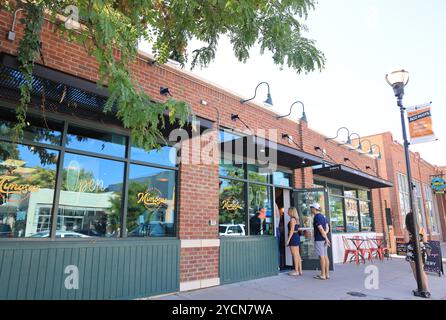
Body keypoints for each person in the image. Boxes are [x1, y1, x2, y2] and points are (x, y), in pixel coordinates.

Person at [405, 211, 431, 298]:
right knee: (422, 270)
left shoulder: (407, 229)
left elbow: (406, 241)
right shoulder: (421, 228)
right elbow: (425, 241)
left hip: (412, 251)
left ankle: (421, 288)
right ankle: (426, 289)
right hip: (422, 251)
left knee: (415, 271)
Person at [311, 202, 331, 280]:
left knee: (321, 257)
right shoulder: (323, 216)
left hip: (319, 239)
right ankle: (327, 274)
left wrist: (325, 238)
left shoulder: (316, 217)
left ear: (314, 209)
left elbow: (321, 229)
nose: (311, 209)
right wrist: (325, 236)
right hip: (323, 238)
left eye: (311, 208)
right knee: (326, 256)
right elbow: (327, 227)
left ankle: (323, 275)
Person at [286, 207, 302, 276]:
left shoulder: (292, 219)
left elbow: (292, 230)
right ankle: (300, 270)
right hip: (296, 236)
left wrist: (288, 240)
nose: (287, 212)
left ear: (291, 212)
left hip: (293, 237)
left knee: (295, 255)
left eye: (288, 211)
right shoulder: (296, 219)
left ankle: (296, 271)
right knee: (297, 254)